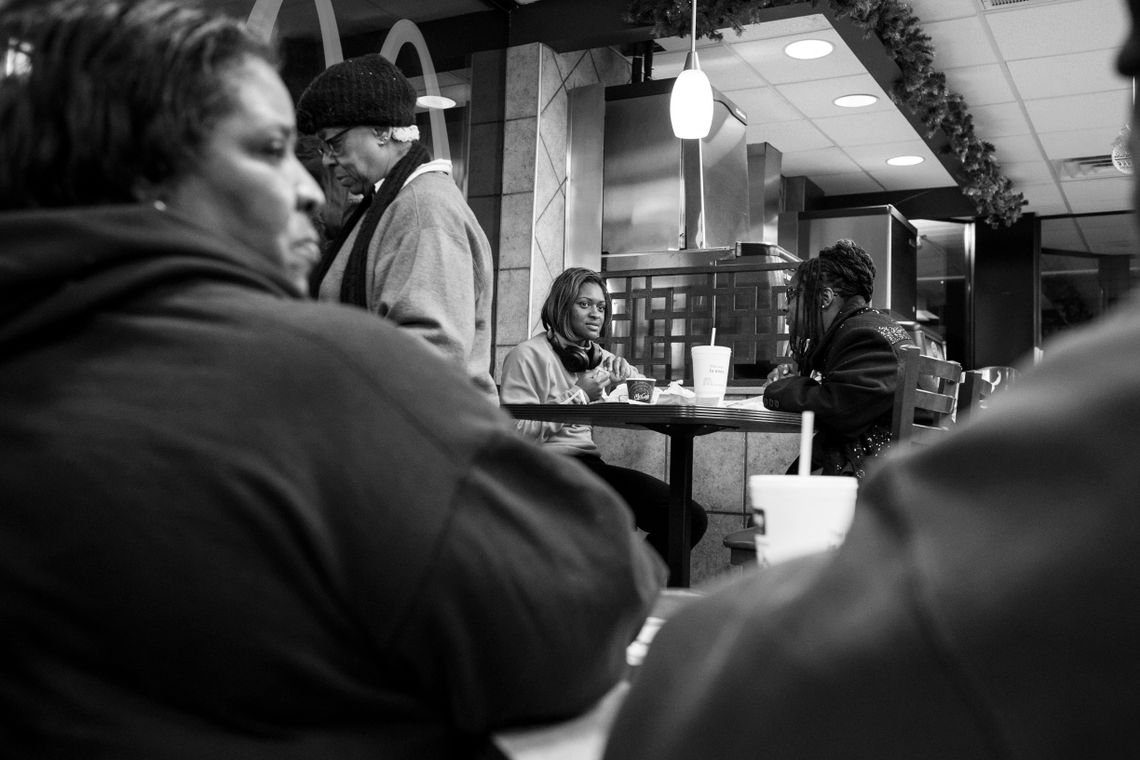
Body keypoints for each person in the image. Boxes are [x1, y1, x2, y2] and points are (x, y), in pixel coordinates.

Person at [0, 2, 665, 758]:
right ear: (146, 171)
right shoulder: (322, 377)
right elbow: (583, 603)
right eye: (273, 147)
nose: (313, 186)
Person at [602, 4, 1140, 755]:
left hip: (853, 490)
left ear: (823, 296)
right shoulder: (888, 329)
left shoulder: (865, 337)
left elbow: (833, 399)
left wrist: (789, 382)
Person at [295, 53, 498, 404]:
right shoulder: (394, 205)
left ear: (383, 130)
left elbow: (429, 358)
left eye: (335, 143)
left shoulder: (423, 210)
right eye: (324, 147)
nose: (328, 158)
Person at [499, 267, 708, 568]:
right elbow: (514, 435)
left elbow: (649, 398)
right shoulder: (526, 356)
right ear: (561, 306)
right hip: (542, 469)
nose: (596, 313)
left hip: (588, 466)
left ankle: (632, 592)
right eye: (584, 304)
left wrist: (630, 378)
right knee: (678, 517)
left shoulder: (596, 356)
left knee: (687, 517)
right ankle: (628, 593)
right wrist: (579, 394)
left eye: (601, 307)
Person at [762, 239, 914, 479]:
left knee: (772, 513)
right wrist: (799, 380)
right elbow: (848, 398)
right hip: (888, 468)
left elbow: (838, 410)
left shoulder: (863, 335)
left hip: (874, 478)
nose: (786, 306)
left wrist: (778, 388)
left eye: (793, 294)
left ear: (824, 298)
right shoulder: (866, 327)